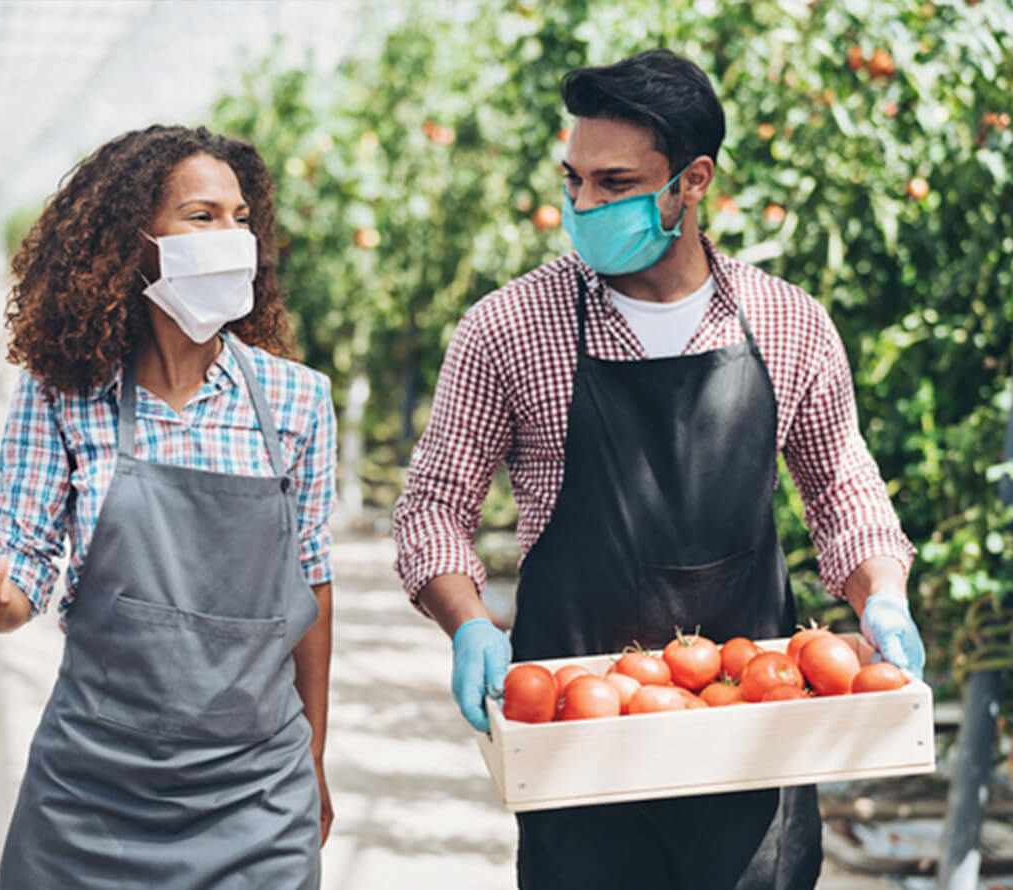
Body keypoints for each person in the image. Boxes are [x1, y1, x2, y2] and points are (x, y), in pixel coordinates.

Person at [392, 49, 926, 890]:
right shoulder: (509, 328)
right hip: (578, 733)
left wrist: (881, 594)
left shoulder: (787, 322)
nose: (584, 205)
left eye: (614, 183)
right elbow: (432, 507)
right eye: (574, 181)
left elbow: (843, 488)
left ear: (692, 181)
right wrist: (466, 620)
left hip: (756, 720)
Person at [0, 124, 336, 889]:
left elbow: (313, 584)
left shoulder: (297, 401)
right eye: (201, 218)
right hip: (93, 791)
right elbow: (24, 558)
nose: (230, 238)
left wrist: (314, 762)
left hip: (255, 792)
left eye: (240, 219)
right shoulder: (65, 393)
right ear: (135, 244)